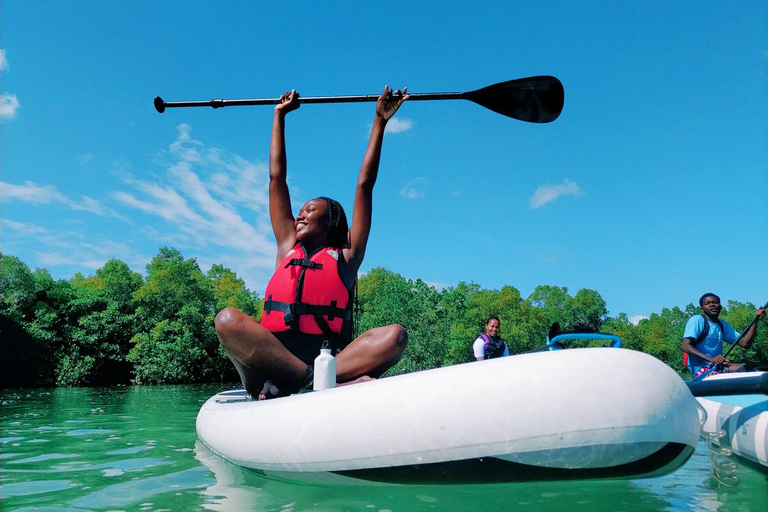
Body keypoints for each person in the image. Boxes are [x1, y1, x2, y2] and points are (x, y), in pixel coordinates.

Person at [214, 86, 409, 399]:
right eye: (299, 212)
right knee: (226, 320)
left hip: (331, 362)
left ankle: (302, 382)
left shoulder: (347, 257)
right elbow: (276, 178)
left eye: (308, 213)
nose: (299, 217)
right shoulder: (287, 246)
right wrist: (279, 116)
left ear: (329, 222)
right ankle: (307, 380)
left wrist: (380, 122)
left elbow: (365, 186)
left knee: (395, 336)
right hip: (270, 363)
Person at [682, 293, 765, 378]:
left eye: (715, 302)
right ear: (702, 309)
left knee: (755, 368)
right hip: (701, 370)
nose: (712, 305)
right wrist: (711, 359)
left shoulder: (722, 325)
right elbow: (685, 346)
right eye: (708, 303)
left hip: (718, 367)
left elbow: (744, 343)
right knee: (744, 369)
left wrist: (756, 319)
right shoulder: (697, 320)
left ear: (720, 306)